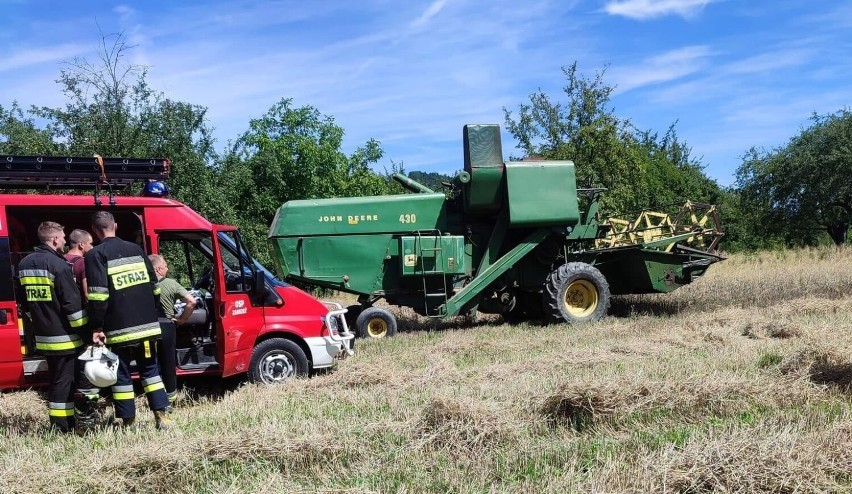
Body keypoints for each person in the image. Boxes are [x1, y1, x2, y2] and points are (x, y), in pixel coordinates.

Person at [85, 211, 172, 430]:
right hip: (146, 328)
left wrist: (96, 326)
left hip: (118, 330)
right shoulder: (136, 250)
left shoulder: (96, 254)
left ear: (95, 231)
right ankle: (162, 417)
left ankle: (129, 421)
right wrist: (149, 311)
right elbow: (155, 287)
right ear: (116, 225)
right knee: (151, 372)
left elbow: (98, 296)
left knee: (121, 374)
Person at [17, 222, 91, 433]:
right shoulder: (58, 265)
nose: (66, 241)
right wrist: (86, 332)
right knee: (63, 382)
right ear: (55, 239)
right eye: (63, 237)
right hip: (64, 336)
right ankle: (61, 427)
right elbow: (72, 306)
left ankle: (67, 422)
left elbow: (25, 302)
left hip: (43, 334)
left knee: (59, 379)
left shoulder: (24, 264)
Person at [148, 253, 196, 407]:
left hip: (148, 328)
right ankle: (170, 400)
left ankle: (156, 401)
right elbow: (191, 301)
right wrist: (182, 319)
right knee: (168, 363)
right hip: (167, 326)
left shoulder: (142, 285)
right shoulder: (171, 283)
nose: (167, 268)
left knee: (151, 364)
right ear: (159, 268)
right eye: (166, 266)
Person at [64, 229, 93, 302]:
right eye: (90, 243)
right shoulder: (83, 262)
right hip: (80, 308)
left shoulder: (61, 259)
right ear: (81, 244)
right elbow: (87, 295)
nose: (92, 247)